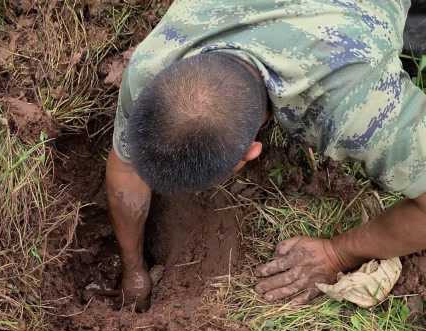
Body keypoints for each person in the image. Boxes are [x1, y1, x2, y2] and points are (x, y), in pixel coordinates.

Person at [106, 0, 426, 311]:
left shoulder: (358, 109)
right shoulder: (154, 63)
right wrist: (133, 267)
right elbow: (126, 169)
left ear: (252, 152)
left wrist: (337, 253)